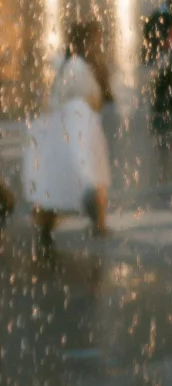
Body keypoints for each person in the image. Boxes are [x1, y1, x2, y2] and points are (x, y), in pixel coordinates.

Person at [23, 17, 113, 242]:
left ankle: (55, 225)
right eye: (95, 39)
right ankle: (96, 223)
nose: (99, 44)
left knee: (62, 180)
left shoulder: (70, 64)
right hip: (77, 126)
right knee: (84, 176)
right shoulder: (77, 67)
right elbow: (87, 97)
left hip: (70, 126)